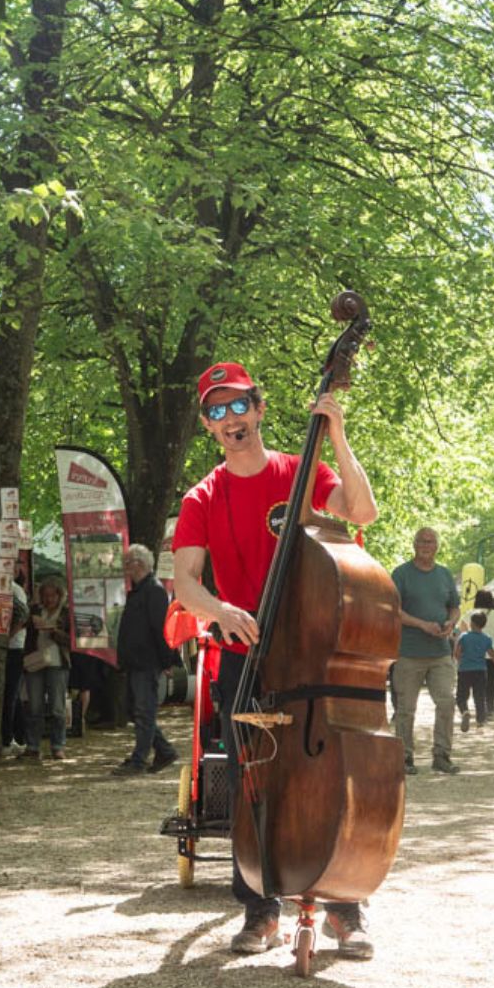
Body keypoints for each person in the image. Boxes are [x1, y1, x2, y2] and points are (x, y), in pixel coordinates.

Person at [170, 360, 380, 957]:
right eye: (216, 411)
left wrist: (337, 435)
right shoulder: (202, 496)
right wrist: (220, 610)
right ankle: (260, 909)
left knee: (334, 772)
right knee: (249, 778)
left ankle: (345, 907)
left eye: (239, 405)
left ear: (259, 409)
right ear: (209, 427)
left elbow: (362, 512)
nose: (230, 419)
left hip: (315, 649)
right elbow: (185, 581)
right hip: (246, 653)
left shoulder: (299, 472)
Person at [391, 527, 461, 776]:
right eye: (421, 541)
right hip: (409, 652)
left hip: (440, 652)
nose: (426, 545)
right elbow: (393, 610)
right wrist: (422, 624)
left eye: (431, 542)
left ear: (437, 546)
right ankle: (404, 756)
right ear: (414, 544)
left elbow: (454, 607)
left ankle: (442, 754)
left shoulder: (444, 575)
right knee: (406, 708)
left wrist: (451, 623)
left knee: (446, 701)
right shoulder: (401, 574)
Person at [116, 544, 178, 774]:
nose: (125, 569)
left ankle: (139, 760)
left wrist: (167, 661)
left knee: (144, 711)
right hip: (136, 661)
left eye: (127, 564)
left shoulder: (154, 590)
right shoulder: (141, 590)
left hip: (147, 662)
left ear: (139, 564)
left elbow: (161, 628)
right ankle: (164, 751)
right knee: (135, 710)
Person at [22, 578, 73, 761]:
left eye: (52, 595)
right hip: (36, 662)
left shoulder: (66, 613)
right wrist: (31, 620)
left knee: (57, 708)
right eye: (46, 596)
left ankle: (58, 746)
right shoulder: (36, 611)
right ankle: (33, 746)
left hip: (57, 664)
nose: (49, 599)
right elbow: (25, 629)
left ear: (59, 596)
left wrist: (52, 631)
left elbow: (71, 641)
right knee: (34, 706)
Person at [0, 557, 31, 758]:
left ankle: (7, 738)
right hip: (11, 646)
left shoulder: (13, 589)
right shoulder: (9, 587)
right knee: (14, 696)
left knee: (9, 695)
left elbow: (23, 615)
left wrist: (7, 636)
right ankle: (20, 736)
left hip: (14, 647)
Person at [454, 611, 494, 730]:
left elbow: (457, 653)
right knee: (479, 695)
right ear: (483, 625)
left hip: (464, 670)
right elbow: (492, 654)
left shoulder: (464, 637)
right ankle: (480, 720)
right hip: (480, 670)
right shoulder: (487, 639)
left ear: (471, 623)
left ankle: (464, 711)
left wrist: (460, 661)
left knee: (461, 696)